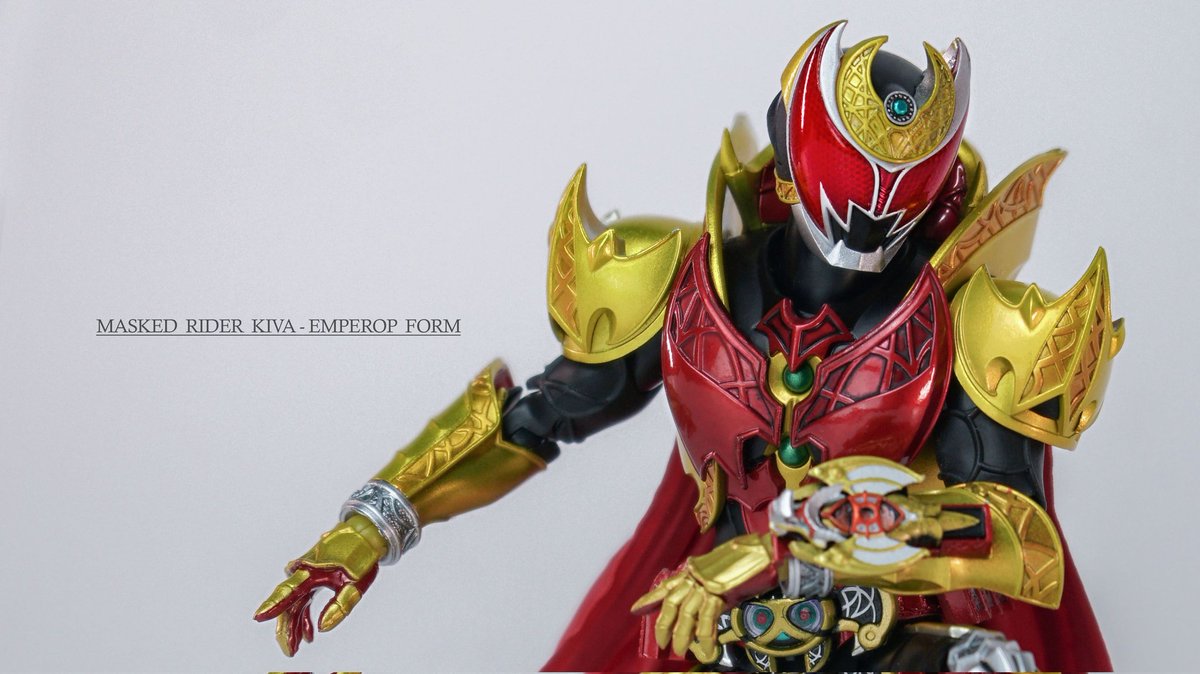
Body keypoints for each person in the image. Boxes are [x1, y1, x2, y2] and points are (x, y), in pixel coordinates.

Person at [256, 21, 1119, 672]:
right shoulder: (685, 284)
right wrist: (375, 523)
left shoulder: (971, 326)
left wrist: (785, 546)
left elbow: (1020, 539)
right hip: (713, 633)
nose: (861, 233)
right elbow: (537, 418)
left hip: (883, 634)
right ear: (789, 162)